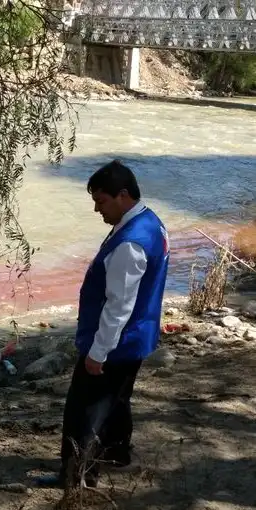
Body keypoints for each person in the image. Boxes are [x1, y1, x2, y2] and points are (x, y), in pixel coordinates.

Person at [54, 159, 170, 488]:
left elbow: (118, 305)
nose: (96, 209)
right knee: (117, 398)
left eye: (100, 201)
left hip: (116, 342)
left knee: (84, 412)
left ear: (122, 196)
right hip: (138, 336)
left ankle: (76, 476)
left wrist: (97, 352)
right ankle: (118, 452)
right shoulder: (151, 223)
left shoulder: (130, 244)